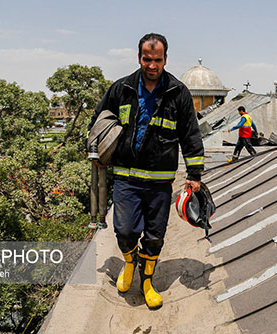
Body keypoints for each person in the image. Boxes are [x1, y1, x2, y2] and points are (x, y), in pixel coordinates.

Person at [87, 33, 204, 309]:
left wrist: (194, 174)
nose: (152, 65)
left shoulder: (178, 93)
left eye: (157, 60)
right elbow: (99, 120)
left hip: (160, 183)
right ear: (139, 57)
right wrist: (97, 151)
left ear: (166, 59)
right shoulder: (122, 88)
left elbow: (191, 135)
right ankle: (130, 263)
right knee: (125, 229)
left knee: (155, 235)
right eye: (147, 59)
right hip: (126, 178)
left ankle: (147, 281)